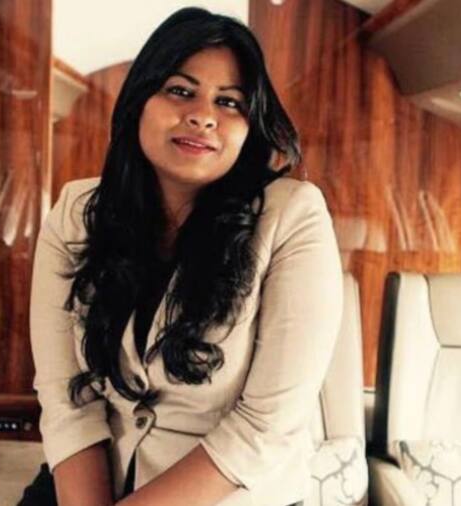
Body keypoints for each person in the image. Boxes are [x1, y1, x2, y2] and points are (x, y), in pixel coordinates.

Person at [22, 7, 342, 506]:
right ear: (139, 102)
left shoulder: (293, 216)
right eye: (180, 90)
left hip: (227, 492)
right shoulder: (76, 213)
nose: (203, 115)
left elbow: (265, 426)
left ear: (249, 126)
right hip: (96, 479)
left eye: (229, 101)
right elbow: (67, 396)